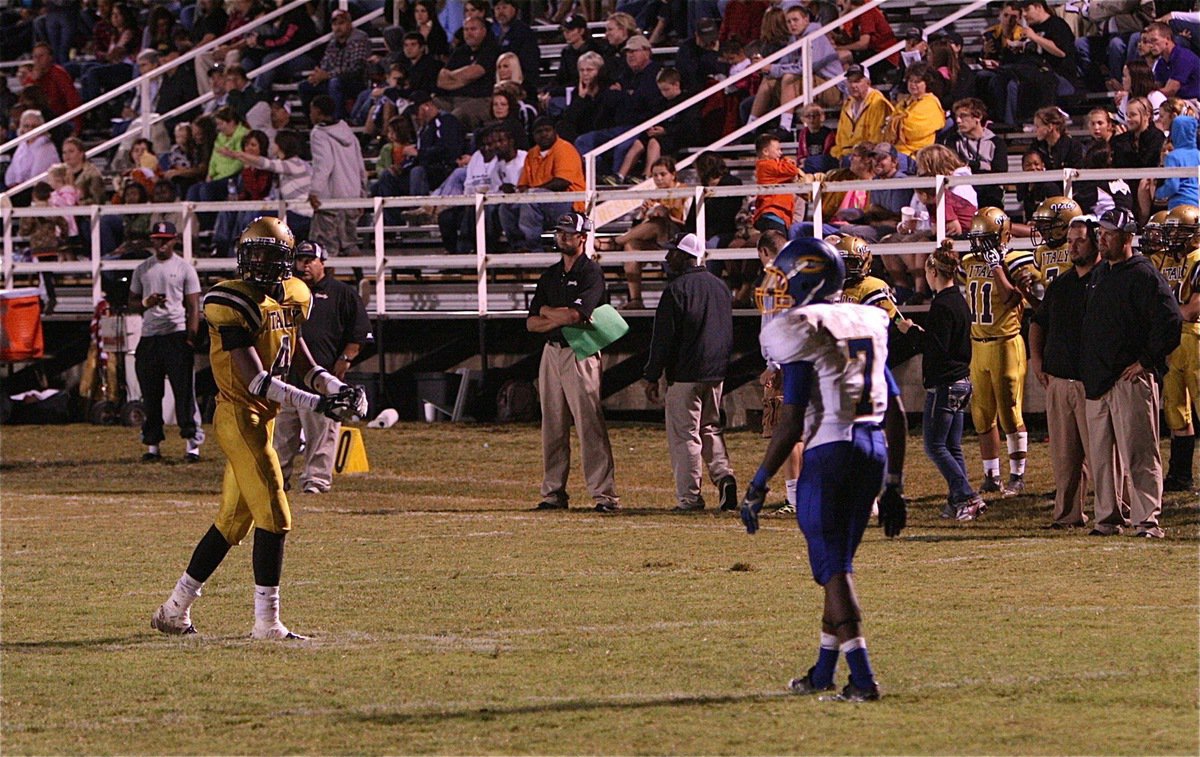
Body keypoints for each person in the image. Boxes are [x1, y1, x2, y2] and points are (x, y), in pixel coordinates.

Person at [150, 216, 367, 639]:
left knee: (232, 522)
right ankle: (266, 623)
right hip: (237, 415)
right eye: (254, 253)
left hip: (263, 418)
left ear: (286, 260)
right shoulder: (231, 301)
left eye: (270, 254)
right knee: (276, 514)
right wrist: (320, 402)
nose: (260, 262)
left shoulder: (295, 296)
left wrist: (338, 386)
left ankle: (174, 609)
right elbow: (255, 379)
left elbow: (302, 361)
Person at [738, 236, 890, 702]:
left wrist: (759, 482)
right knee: (836, 566)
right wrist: (897, 482)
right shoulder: (866, 319)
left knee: (835, 571)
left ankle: (862, 679)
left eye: (786, 278)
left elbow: (789, 421)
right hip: (874, 448)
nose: (778, 287)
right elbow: (896, 406)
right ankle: (823, 672)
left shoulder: (807, 327)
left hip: (830, 453)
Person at [1082, 208, 1183, 538]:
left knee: (1139, 454)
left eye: (1109, 233)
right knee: (1102, 459)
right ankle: (1107, 518)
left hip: (1129, 379)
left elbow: (1170, 321)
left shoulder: (1142, 273)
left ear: (1127, 238)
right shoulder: (1101, 274)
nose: (1102, 237)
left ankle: (1146, 520)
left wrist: (1147, 360)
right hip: (1101, 380)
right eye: (1101, 232)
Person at [526, 211, 621, 513]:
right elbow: (531, 322)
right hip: (552, 352)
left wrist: (550, 313)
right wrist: (559, 315)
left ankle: (604, 495)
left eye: (568, 232)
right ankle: (553, 493)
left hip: (580, 352)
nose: (563, 237)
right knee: (551, 425)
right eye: (560, 232)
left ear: (583, 237)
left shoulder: (591, 272)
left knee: (589, 425)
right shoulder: (550, 274)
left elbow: (574, 316)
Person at [642, 233, 737, 512]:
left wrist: (651, 374)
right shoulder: (720, 287)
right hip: (715, 372)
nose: (667, 258)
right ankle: (724, 476)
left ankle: (690, 497)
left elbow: (663, 339)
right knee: (711, 429)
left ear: (685, 256)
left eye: (672, 252)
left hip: (685, 374)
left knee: (685, 436)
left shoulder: (676, 290)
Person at [273, 241, 371, 494]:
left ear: (323, 262)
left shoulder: (342, 293)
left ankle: (316, 480)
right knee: (281, 437)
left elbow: (360, 334)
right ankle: (275, 480)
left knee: (321, 433)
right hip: (286, 376)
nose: (303, 265)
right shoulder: (287, 291)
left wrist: (346, 360)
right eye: (299, 260)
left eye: (309, 260)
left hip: (321, 377)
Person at [1030, 214, 1101, 529]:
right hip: (1059, 380)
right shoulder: (1061, 283)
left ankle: (1117, 511)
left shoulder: (1107, 280)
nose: (1072, 247)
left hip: (1093, 382)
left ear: (1096, 241)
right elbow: (1037, 321)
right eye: (1070, 240)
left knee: (1104, 456)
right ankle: (1067, 514)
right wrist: (1035, 359)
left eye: (1079, 240)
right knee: (1064, 457)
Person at [962, 207, 1039, 497]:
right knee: (982, 415)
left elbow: (1009, 298)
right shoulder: (968, 261)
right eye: (977, 237)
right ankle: (991, 476)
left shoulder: (1014, 260)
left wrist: (997, 267)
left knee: (1009, 411)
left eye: (986, 238)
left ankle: (1017, 476)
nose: (980, 244)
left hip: (1006, 343)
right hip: (978, 344)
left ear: (1002, 237)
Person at [917, 240, 985, 521]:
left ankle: (967, 495)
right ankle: (957, 500)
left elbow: (936, 347)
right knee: (952, 445)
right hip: (962, 381)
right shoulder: (959, 300)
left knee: (934, 445)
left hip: (945, 384)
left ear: (934, 272)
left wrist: (911, 332)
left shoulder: (942, 305)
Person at [127, 221, 205, 463]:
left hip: (175, 334)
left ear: (174, 240)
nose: (161, 244)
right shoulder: (142, 269)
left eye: (165, 239)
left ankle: (192, 444)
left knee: (184, 393)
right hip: (150, 336)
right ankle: (152, 445)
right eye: (157, 239)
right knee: (151, 394)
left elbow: (193, 306)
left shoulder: (184, 268)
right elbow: (132, 302)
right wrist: (146, 304)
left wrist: (191, 336)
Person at [1154, 205, 1200, 491]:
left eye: (1178, 232)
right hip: (1172, 340)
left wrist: (1166, 313)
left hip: (1195, 338)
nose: (1171, 238)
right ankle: (1180, 475)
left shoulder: (1199, 259)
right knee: (1175, 410)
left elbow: (1193, 309)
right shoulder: (1167, 261)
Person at [500, 117, 585, 252]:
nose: (543, 134)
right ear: (533, 135)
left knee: (532, 197)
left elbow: (562, 182)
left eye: (547, 130)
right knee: (507, 206)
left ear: (554, 131)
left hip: (568, 204)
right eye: (539, 132)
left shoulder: (564, 148)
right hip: (540, 204)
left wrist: (533, 191)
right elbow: (524, 184)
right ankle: (519, 247)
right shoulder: (532, 153)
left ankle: (533, 248)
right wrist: (517, 191)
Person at [308, 94, 367, 257]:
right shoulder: (348, 132)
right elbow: (360, 164)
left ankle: (326, 283)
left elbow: (324, 164)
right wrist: (362, 194)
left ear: (318, 112)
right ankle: (361, 279)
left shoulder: (319, 134)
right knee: (350, 243)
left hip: (331, 198)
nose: (310, 114)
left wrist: (314, 191)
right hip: (352, 196)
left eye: (312, 111)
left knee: (325, 246)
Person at [298, 9, 372, 122]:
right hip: (334, 79)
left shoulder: (359, 38)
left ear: (349, 24)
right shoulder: (333, 42)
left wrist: (327, 75)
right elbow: (325, 63)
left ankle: (337, 121)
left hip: (356, 82)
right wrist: (317, 76)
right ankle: (312, 123)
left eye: (341, 23)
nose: (337, 27)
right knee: (304, 86)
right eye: (334, 24)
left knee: (335, 82)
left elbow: (356, 69)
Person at [938, 98, 1008, 212]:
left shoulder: (996, 143)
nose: (958, 121)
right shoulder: (952, 140)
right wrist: (983, 165)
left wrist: (969, 165)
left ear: (978, 117)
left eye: (963, 116)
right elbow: (953, 166)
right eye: (957, 117)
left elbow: (1000, 171)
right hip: (962, 189)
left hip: (989, 191)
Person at [832, 66, 892, 162]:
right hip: (845, 154)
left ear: (868, 83)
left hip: (867, 156)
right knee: (812, 163)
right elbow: (840, 139)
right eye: (850, 81)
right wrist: (838, 155)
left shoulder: (878, 103)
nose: (853, 85)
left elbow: (875, 141)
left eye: (857, 81)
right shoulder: (848, 104)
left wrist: (855, 155)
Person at [751, 132, 800, 236]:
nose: (780, 153)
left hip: (778, 214)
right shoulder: (767, 165)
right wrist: (787, 160)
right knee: (777, 248)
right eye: (777, 149)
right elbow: (792, 170)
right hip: (772, 213)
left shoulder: (769, 165)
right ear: (765, 151)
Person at [1031, 195, 1083, 291]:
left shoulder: (1078, 249)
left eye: (1046, 224)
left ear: (1064, 225)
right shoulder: (1040, 251)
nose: (1041, 229)